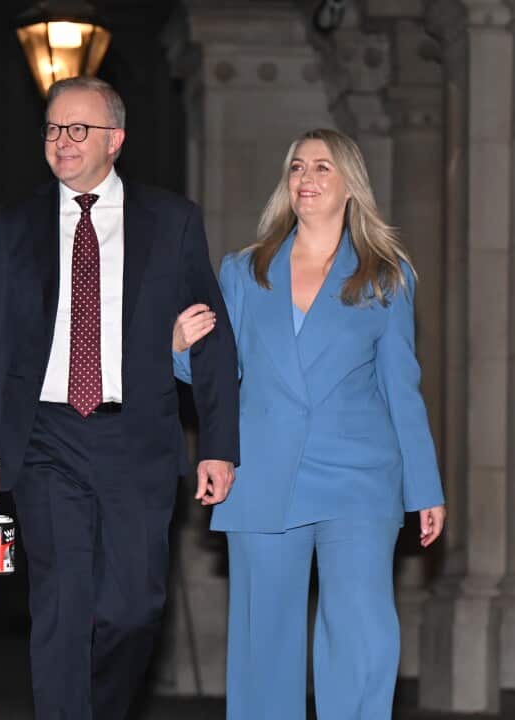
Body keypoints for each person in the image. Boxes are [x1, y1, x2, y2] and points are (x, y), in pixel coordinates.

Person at [0, 76, 240, 720]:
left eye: (78, 129)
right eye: (54, 128)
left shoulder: (172, 220)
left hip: (136, 438)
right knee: (61, 603)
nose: (63, 141)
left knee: (133, 610)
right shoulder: (17, 225)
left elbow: (212, 339)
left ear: (115, 139)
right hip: (46, 437)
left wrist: (220, 447)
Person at [171, 128, 446, 720]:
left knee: (362, 631)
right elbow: (221, 372)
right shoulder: (245, 271)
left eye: (322, 167)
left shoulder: (386, 274)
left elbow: (403, 390)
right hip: (264, 470)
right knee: (262, 639)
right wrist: (177, 349)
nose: (307, 179)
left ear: (350, 184)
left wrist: (424, 488)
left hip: (358, 476)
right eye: (297, 167)